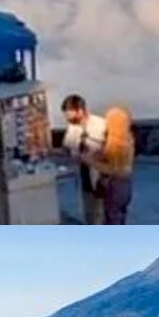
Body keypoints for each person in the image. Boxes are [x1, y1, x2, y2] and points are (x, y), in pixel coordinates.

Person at [80, 106, 135, 224]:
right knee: (120, 217)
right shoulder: (126, 138)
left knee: (112, 219)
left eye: (109, 121)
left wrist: (90, 162)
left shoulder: (117, 144)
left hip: (115, 186)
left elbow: (114, 169)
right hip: (126, 186)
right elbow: (108, 155)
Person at [60, 94, 105, 225]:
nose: (67, 118)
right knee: (89, 208)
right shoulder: (72, 127)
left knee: (101, 209)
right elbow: (67, 147)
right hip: (84, 171)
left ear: (80, 111)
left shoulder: (100, 124)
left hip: (101, 172)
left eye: (69, 114)